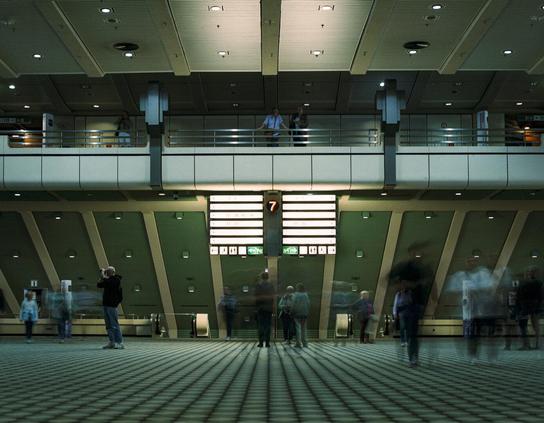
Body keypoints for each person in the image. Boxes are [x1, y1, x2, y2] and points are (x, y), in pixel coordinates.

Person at [389, 243, 432, 367]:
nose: (418, 254)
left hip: (418, 303)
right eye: (415, 252)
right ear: (411, 253)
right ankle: (413, 357)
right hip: (406, 305)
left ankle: (413, 357)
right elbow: (389, 279)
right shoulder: (404, 267)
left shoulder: (424, 268)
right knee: (411, 331)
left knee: (413, 332)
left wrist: (433, 296)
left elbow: (430, 283)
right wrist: (401, 285)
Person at [97, 266, 124, 349]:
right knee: (108, 325)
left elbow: (108, 282)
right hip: (106, 305)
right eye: (106, 271)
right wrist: (101, 276)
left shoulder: (116, 280)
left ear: (113, 272)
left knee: (114, 324)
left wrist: (103, 274)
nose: (107, 272)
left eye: (108, 271)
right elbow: (99, 285)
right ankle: (112, 341)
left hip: (112, 305)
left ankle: (119, 342)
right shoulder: (108, 280)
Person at [516, 267, 543, 350]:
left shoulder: (527, 283)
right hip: (531, 305)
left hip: (527, 305)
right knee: (533, 325)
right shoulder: (538, 283)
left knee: (525, 324)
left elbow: (520, 294)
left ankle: (528, 344)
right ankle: (535, 344)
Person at [255, 271, 275, 347]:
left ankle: (260, 343)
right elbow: (272, 297)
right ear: (268, 277)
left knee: (261, 326)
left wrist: (256, 308)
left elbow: (256, 297)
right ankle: (267, 343)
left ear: (261, 277)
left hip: (260, 308)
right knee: (268, 326)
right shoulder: (271, 286)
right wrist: (272, 307)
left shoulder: (258, 285)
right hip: (269, 309)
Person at [292, 283, 310, 348]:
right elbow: (308, 304)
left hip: (297, 314)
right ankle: (305, 343)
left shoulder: (296, 295)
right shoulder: (306, 295)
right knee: (304, 329)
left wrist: (292, 312)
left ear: (298, 288)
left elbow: (293, 304)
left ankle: (298, 343)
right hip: (304, 313)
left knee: (298, 329)